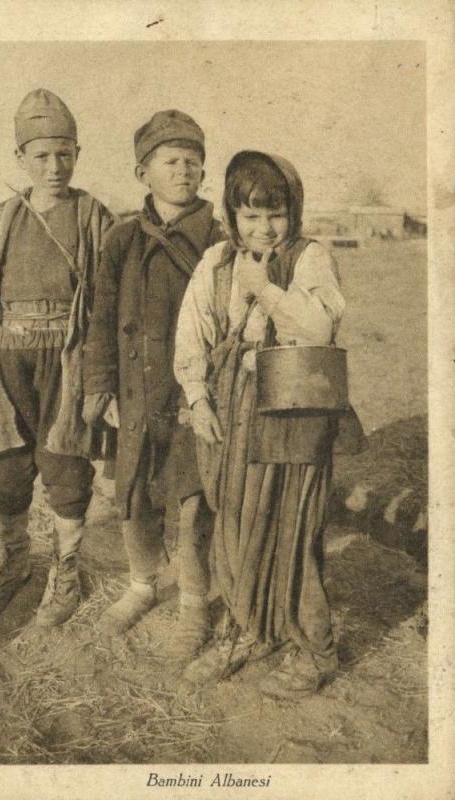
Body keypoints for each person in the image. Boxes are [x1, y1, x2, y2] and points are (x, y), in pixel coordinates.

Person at [174, 150, 364, 696]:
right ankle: (246, 631)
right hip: (232, 411)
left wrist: (264, 289)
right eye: (250, 215)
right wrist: (197, 400)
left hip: (294, 411)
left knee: (291, 530)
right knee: (234, 526)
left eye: (274, 214)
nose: (263, 227)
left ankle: (315, 648)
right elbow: (193, 333)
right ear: (232, 216)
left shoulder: (310, 258)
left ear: (292, 211)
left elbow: (318, 327)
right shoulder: (215, 261)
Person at [82, 110, 225, 659]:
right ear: (143, 173)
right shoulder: (122, 239)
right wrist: (102, 388)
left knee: (194, 501)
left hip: (195, 397)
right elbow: (100, 317)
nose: (184, 171)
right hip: (135, 393)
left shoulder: (219, 237)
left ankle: (193, 600)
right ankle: (143, 584)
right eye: (171, 161)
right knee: (134, 492)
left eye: (193, 161)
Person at [0, 88, 114, 626]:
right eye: (41, 155)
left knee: (64, 463)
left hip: (67, 357)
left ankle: (66, 570)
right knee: (5, 466)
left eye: (64, 153)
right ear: (20, 158)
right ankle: (16, 560)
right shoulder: (0, 219)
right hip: (5, 357)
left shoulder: (92, 215)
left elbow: (109, 298)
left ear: (78, 153)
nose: (54, 166)